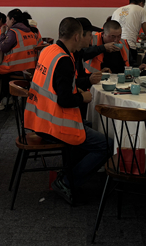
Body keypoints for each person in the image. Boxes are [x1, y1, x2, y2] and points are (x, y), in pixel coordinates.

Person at [24, 18, 111, 205]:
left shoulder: (50, 51)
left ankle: (70, 171)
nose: (91, 40)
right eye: (88, 36)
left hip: (38, 119)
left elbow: (57, 86)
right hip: (53, 125)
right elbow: (64, 100)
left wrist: (80, 86)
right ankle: (66, 181)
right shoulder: (64, 60)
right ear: (77, 36)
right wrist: (82, 97)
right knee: (107, 145)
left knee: (89, 125)